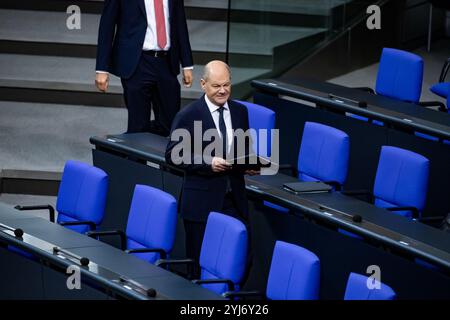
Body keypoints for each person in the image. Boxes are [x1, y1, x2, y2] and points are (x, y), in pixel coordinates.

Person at [165, 60, 258, 269]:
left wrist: (249, 163)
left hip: (234, 199)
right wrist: (208, 163)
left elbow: (244, 148)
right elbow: (173, 154)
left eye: (226, 84)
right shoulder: (188, 115)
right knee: (199, 265)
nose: (223, 90)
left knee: (243, 259)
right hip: (201, 203)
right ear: (203, 84)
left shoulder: (240, 111)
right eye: (216, 86)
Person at [95, 0, 193, 136]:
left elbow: (180, 22)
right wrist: (102, 68)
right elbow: (107, 25)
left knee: (170, 124)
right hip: (137, 63)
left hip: (166, 62)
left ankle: (124, 144)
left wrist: (187, 63)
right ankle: (131, 144)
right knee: (138, 125)